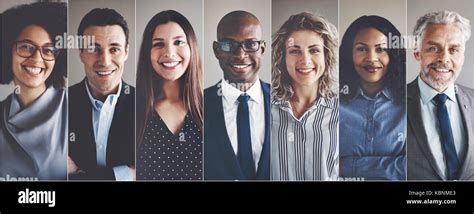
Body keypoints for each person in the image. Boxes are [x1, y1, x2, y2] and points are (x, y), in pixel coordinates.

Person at [0, 2, 67, 180]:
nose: (37, 58)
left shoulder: (76, 108)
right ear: (7, 50)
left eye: (48, 50)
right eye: (26, 47)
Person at [68, 8, 135, 180]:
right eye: (93, 49)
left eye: (114, 49)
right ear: (81, 53)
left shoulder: (149, 105)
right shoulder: (57, 105)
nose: (105, 61)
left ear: (126, 51)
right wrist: (126, 174)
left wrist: (78, 174)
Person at [136, 10, 203, 180]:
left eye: (178, 42)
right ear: (147, 52)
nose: (169, 53)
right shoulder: (133, 107)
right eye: (159, 44)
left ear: (191, 47)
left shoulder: (214, 107)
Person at [271, 12, 339, 181]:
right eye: (295, 51)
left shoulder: (345, 110)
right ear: (282, 57)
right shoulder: (264, 109)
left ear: (326, 56)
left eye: (314, 50)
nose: (305, 60)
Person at [408, 10, 474, 180]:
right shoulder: (392, 103)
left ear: (462, 56)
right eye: (433, 48)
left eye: (453, 50)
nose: (444, 58)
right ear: (416, 52)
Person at [204, 10, 270, 180]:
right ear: (217, 50)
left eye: (250, 44)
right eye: (228, 44)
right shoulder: (196, 104)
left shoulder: (285, 101)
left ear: (262, 48)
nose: (241, 54)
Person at [339, 15, 406, 180]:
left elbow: (412, 167)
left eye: (381, 49)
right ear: (349, 54)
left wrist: (347, 166)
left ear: (393, 54)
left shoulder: (410, 102)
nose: (371, 58)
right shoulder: (331, 102)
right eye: (362, 49)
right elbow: (323, 163)